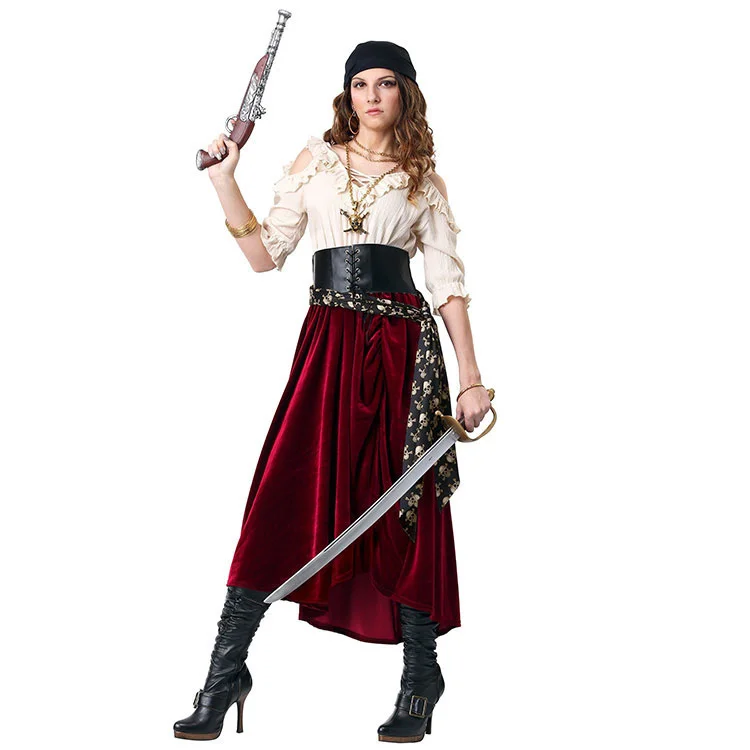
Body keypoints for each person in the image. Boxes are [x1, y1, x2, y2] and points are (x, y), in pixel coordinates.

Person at [173, 40, 492, 743]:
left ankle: (420, 677)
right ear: (347, 95)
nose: (371, 96)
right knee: (282, 497)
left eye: (386, 83)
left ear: (405, 93)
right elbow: (265, 256)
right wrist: (224, 181)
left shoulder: (423, 180)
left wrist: (470, 379)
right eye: (360, 84)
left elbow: (448, 286)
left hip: (404, 353)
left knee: (405, 509)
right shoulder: (314, 162)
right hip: (329, 346)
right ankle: (223, 678)